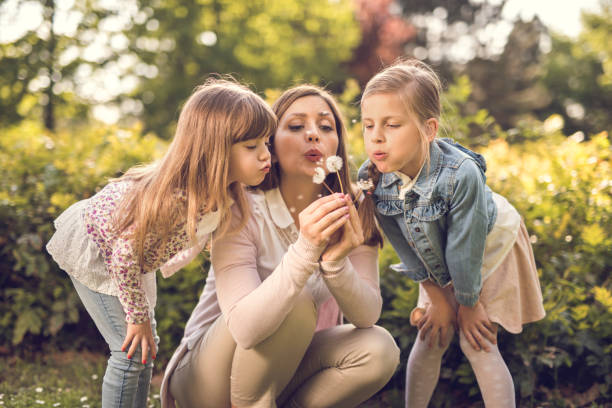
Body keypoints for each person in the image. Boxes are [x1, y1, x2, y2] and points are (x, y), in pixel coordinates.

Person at [161, 84, 400, 408]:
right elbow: (245, 330)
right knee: (295, 299)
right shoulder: (238, 206)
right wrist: (305, 249)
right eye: (296, 126)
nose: (313, 134)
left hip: (285, 371)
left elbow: (367, 314)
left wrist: (334, 263)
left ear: (337, 144)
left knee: (379, 348)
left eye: (325, 126)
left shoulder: (352, 208)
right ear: (267, 143)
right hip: (208, 378)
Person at [46, 78, 276, 408]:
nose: (266, 155)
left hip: (131, 256)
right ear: (214, 150)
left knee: (144, 348)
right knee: (129, 350)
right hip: (99, 250)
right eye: (251, 147)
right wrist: (136, 317)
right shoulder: (176, 198)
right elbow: (123, 256)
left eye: (265, 143)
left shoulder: (222, 192)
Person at [357, 59, 546, 408]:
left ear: (429, 129)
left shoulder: (462, 176)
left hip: (488, 243)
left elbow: (465, 247)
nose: (377, 137)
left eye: (392, 124)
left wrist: (468, 304)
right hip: (434, 249)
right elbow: (405, 246)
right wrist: (439, 298)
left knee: (477, 341)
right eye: (368, 125)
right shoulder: (374, 178)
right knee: (432, 334)